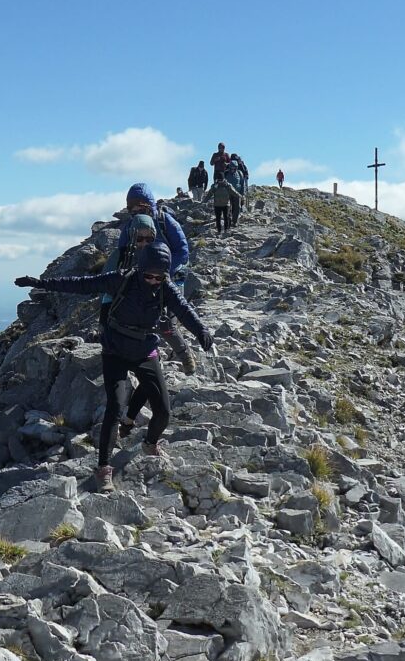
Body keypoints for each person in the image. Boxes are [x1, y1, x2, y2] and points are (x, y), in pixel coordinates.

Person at [15, 242, 214, 493]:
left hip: (145, 351)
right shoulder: (122, 280)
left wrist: (201, 331)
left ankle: (150, 443)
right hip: (115, 352)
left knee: (163, 410)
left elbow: (184, 310)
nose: (153, 280)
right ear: (141, 269)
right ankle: (104, 469)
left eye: (159, 276)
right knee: (115, 407)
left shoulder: (166, 288)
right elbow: (81, 284)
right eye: (149, 275)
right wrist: (41, 283)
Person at [118, 183, 195, 374]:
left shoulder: (165, 221)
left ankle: (185, 355)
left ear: (149, 205)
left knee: (165, 322)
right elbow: (122, 253)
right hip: (144, 278)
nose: (136, 211)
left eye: (140, 207)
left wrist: (165, 269)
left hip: (172, 276)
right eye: (131, 208)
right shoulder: (130, 227)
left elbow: (183, 251)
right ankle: (150, 362)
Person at [225, 159, 245, 227]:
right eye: (232, 167)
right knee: (228, 207)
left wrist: (242, 194)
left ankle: (234, 221)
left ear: (236, 167)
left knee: (237, 207)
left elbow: (242, 184)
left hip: (237, 193)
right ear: (230, 167)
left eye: (234, 168)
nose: (233, 169)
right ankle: (228, 220)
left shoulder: (240, 173)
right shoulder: (226, 173)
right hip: (227, 193)